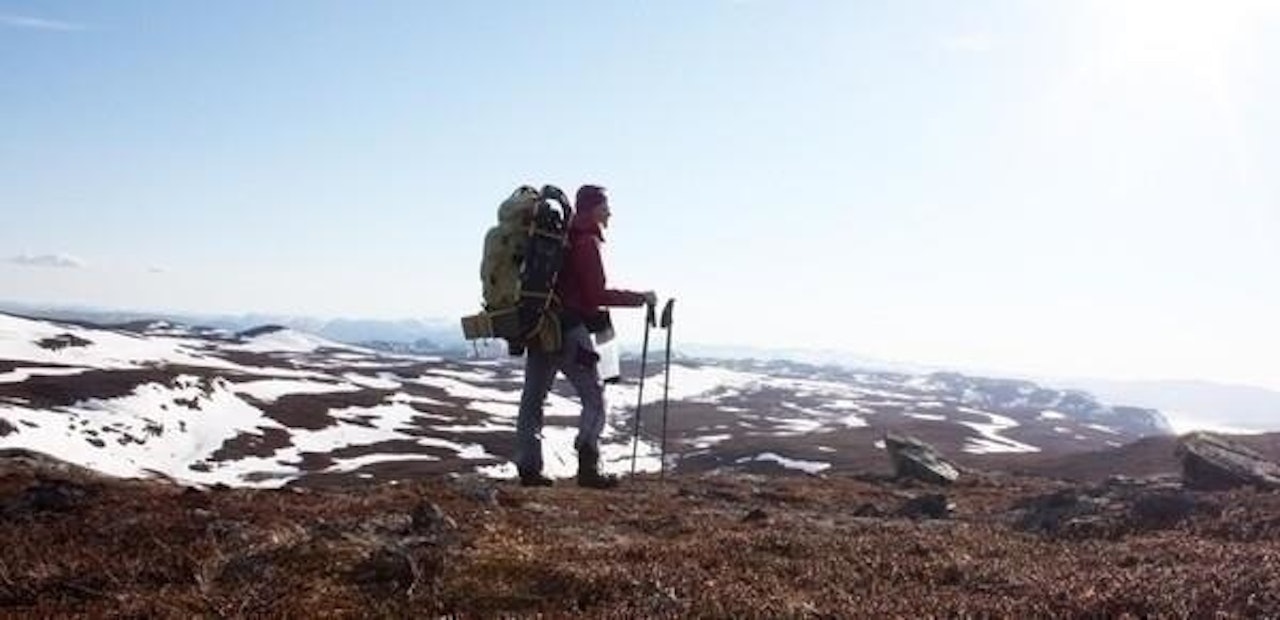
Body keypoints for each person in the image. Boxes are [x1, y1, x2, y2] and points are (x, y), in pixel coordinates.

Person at [514, 184, 656, 489]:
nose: (610, 212)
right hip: (569, 330)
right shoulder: (586, 241)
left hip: (540, 325)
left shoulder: (560, 235)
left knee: (533, 398)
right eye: (605, 206)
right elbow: (595, 294)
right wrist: (639, 298)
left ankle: (529, 468)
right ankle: (589, 467)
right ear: (593, 208)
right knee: (594, 396)